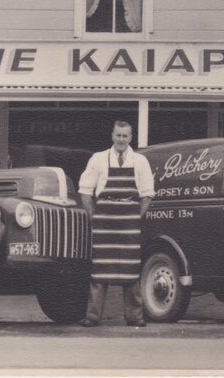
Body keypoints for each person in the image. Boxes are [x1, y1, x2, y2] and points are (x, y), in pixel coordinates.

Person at [77, 121, 155, 327]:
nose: (121, 139)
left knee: (130, 270)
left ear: (131, 138)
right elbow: (85, 191)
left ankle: (135, 317)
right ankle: (93, 316)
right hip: (104, 222)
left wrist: (135, 217)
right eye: (118, 135)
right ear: (112, 135)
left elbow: (147, 195)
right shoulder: (98, 159)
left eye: (125, 136)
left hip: (129, 223)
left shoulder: (140, 161)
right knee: (100, 271)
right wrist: (94, 216)